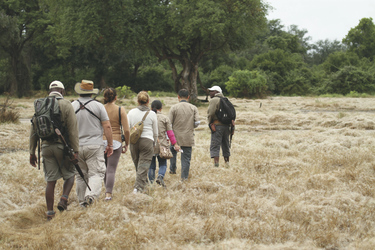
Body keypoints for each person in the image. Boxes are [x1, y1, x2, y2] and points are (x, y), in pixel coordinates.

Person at [29, 80, 79, 220]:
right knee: (70, 174)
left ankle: (50, 213)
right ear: (62, 91)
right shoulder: (66, 104)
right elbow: (73, 130)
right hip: (62, 147)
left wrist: (32, 152)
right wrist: (75, 151)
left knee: (50, 181)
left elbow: (33, 130)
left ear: (49, 91)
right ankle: (63, 199)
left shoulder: (40, 105)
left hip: (45, 147)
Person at [71, 80, 113, 206]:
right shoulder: (98, 106)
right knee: (96, 173)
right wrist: (110, 144)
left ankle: (81, 201)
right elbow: (107, 126)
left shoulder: (72, 106)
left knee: (80, 175)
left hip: (76, 146)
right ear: (91, 93)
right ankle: (91, 196)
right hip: (95, 145)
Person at [127, 91, 158, 193]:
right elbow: (155, 132)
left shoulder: (131, 112)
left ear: (137, 101)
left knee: (138, 164)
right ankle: (137, 188)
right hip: (147, 140)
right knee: (144, 165)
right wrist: (154, 143)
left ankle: (144, 185)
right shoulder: (152, 114)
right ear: (148, 101)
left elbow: (127, 128)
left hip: (134, 141)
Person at [103, 88, 130, 200]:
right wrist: (127, 143)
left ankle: (106, 188)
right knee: (111, 169)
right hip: (116, 141)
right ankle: (108, 193)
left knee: (104, 168)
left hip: (102, 140)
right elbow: (127, 130)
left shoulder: (101, 109)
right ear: (115, 97)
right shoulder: (120, 109)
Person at [168, 89, 200, 180]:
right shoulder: (193, 108)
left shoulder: (173, 108)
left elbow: (169, 123)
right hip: (188, 136)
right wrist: (191, 126)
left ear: (178, 97)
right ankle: (184, 177)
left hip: (175, 136)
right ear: (188, 97)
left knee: (172, 152)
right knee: (186, 158)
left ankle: (172, 169)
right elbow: (197, 122)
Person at [148, 100, 180, 187]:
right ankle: (160, 176)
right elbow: (170, 133)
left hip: (150, 144)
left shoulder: (148, 117)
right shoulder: (165, 118)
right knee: (163, 163)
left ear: (151, 108)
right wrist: (175, 144)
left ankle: (151, 183)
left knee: (151, 166)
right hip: (162, 145)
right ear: (161, 108)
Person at [207, 85, 231, 167]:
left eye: (212, 91)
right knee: (226, 144)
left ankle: (216, 164)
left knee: (215, 144)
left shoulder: (214, 100)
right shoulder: (226, 99)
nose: (210, 92)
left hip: (217, 126)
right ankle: (227, 162)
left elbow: (211, 113)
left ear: (217, 92)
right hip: (227, 126)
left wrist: (210, 123)